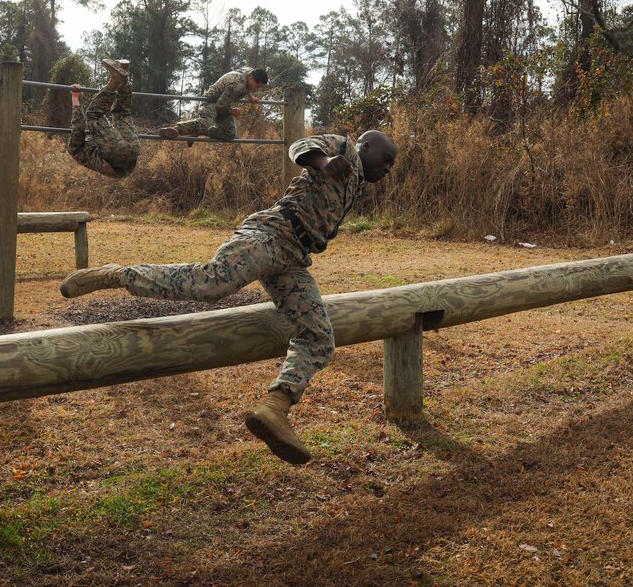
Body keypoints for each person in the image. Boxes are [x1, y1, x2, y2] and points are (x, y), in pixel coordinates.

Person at [59, 130, 397, 465]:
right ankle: (118, 274)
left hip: (292, 258)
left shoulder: (355, 182)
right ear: (365, 147)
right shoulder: (344, 149)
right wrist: (325, 161)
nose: (387, 169)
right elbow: (300, 146)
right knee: (211, 284)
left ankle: (275, 409)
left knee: (319, 336)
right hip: (269, 235)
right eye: (386, 159)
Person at [66, 59, 141, 179]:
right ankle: (116, 80)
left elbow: (104, 136)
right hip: (116, 153)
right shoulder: (74, 150)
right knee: (93, 114)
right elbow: (78, 128)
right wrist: (75, 98)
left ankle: (124, 81)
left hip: (133, 152)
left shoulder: (88, 153)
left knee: (122, 113)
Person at [158, 67, 269, 142]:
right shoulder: (238, 85)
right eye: (257, 86)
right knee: (206, 123)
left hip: (224, 103)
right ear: (250, 79)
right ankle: (176, 129)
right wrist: (232, 111)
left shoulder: (250, 71)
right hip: (211, 101)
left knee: (229, 134)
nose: (256, 89)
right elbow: (221, 105)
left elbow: (247, 87)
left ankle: (196, 131)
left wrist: (250, 96)